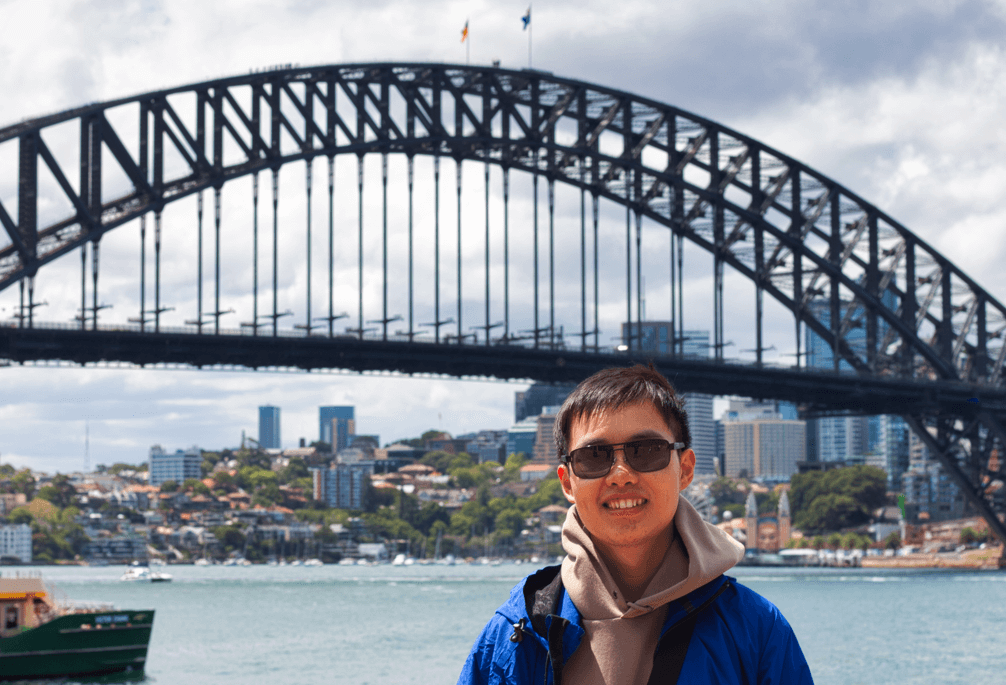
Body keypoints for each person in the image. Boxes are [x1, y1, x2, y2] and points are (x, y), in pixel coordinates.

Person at [457, 365, 813, 684]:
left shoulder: (756, 631)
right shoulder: (515, 633)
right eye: (595, 456)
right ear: (567, 483)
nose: (621, 475)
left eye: (647, 451)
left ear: (685, 468)